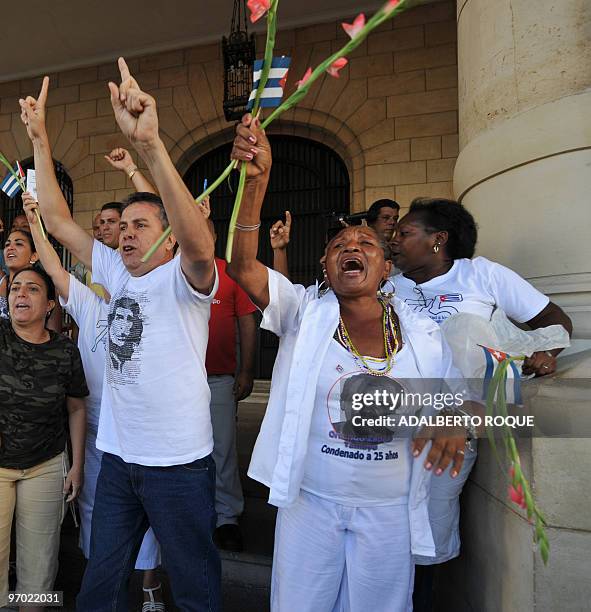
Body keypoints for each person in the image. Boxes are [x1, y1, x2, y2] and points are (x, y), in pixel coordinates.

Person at [226, 114, 467, 611]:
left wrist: (452, 422)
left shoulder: (423, 335)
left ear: (385, 268)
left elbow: (456, 402)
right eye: (339, 245)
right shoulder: (302, 315)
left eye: (366, 246)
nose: (351, 248)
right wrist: (256, 185)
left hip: (389, 510)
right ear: (325, 264)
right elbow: (243, 267)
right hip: (311, 502)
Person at [20, 60, 220, 610]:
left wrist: (151, 146)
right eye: (123, 227)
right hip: (118, 462)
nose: (127, 236)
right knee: (99, 585)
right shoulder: (111, 272)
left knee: (197, 589)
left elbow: (200, 244)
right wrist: (40, 141)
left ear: (170, 239)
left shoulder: (187, 279)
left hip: (178, 467)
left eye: (142, 226)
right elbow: (60, 224)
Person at [389, 197, 573, 610]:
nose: (394, 241)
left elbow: (555, 319)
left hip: (455, 428)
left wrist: (547, 353)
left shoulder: (482, 276)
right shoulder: (389, 284)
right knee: (384, 529)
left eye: (404, 233)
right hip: (394, 421)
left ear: (438, 240)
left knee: (428, 531)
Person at [21, 193, 164, 612]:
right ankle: (103, 590)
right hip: (98, 436)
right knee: (95, 520)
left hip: (143, 437)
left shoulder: (150, 296)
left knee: (149, 524)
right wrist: (36, 226)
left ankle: (150, 589)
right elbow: (50, 264)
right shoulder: (86, 303)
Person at [0, 265, 87, 612]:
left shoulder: (65, 351)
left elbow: (77, 410)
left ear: (51, 304)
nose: (21, 293)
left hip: (45, 465)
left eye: (32, 289)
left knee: (40, 562)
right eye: (16, 287)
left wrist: (76, 466)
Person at [203, 219, 257, 552]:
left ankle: (226, 517)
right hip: (177, 384)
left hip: (218, 379)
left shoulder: (231, 274)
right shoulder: (172, 273)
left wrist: (247, 370)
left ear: (213, 235)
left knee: (221, 450)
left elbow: (247, 323)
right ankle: (194, 511)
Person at [0, 228, 62, 331]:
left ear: (34, 256)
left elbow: (54, 334)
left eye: (19, 244)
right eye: (7, 245)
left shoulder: (46, 287)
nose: (10, 248)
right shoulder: (2, 282)